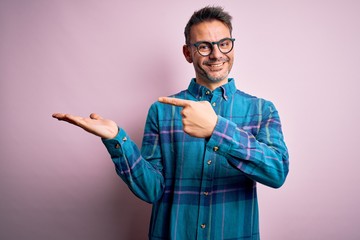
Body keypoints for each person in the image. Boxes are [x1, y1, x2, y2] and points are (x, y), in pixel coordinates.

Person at [53, 6, 289, 240]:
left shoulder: (261, 110)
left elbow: (277, 173)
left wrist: (217, 130)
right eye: (204, 46)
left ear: (232, 46)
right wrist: (116, 139)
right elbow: (151, 190)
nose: (216, 54)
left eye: (224, 43)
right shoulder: (161, 111)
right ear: (188, 53)